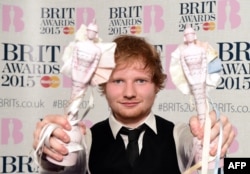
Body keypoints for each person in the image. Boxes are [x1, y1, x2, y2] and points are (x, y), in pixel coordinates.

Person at [33, 35, 235, 174]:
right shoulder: (87, 139)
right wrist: (50, 151)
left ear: (157, 84)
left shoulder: (178, 135)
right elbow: (61, 168)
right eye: (118, 81)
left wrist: (211, 140)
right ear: (104, 84)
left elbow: (199, 149)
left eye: (141, 80)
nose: (129, 93)